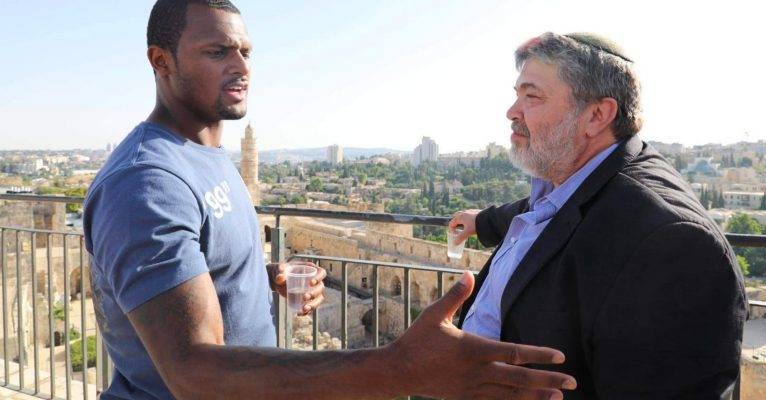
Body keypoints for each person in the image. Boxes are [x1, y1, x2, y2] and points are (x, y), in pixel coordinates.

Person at [83, 2, 577, 399]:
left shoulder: (205, 156)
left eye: (246, 52)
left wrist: (264, 275)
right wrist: (401, 369)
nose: (240, 67)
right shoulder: (146, 183)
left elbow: (201, 266)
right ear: (160, 60)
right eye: (217, 52)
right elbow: (195, 374)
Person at [449, 32, 747, 399]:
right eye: (516, 95)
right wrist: (483, 221)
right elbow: (544, 212)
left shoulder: (671, 242)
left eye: (532, 96)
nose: (512, 111)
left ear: (596, 114)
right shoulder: (570, 182)